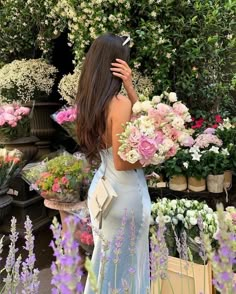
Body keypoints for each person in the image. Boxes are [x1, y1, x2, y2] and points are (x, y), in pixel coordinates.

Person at [77, 33, 151, 294]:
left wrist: (130, 87)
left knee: (106, 265)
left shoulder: (89, 102)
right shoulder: (118, 104)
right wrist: (150, 158)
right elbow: (123, 161)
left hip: (104, 187)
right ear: (118, 64)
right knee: (128, 272)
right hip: (125, 194)